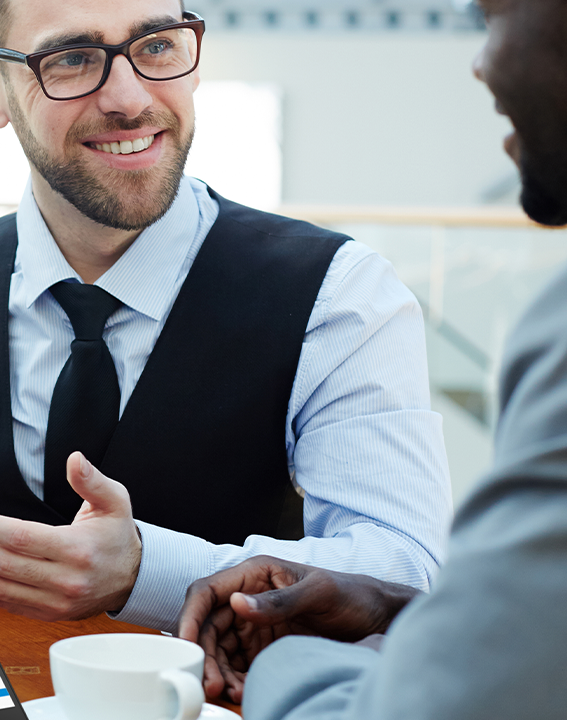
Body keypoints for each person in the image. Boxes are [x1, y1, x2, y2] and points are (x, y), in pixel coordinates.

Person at [0, 0, 452, 631]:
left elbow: (402, 565)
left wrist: (149, 571)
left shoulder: (342, 295)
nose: (130, 97)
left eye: (157, 46)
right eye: (70, 59)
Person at [176, 0, 567, 716]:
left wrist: (288, 656)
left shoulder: (349, 290)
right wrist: (392, 610)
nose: (481, 63)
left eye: (493, 13)